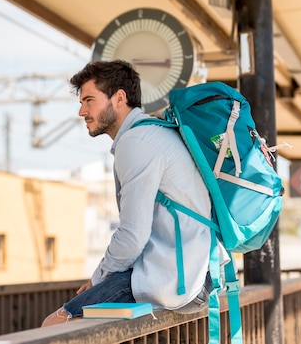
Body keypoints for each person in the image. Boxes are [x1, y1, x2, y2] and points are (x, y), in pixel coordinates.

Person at [41, 59, 214, 327]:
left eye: (89, 100)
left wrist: (99, 278)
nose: (81, 111)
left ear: (119, 98)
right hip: (194, 273)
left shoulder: (136, 142)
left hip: (173, 278)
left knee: (55, 326)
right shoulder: (152, 133)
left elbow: (133, 235)